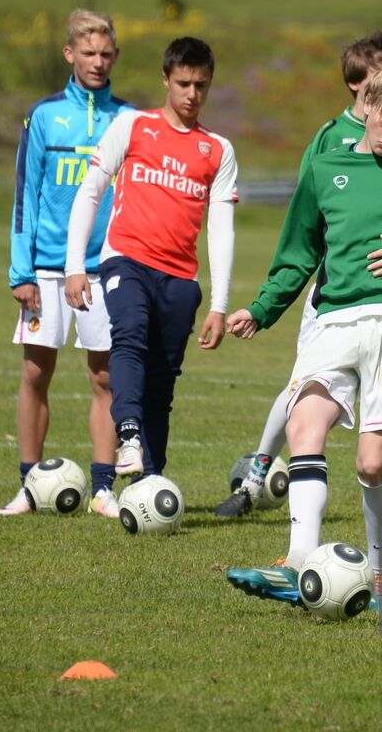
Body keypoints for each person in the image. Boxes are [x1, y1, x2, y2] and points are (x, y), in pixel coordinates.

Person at [222, 61, 382, 613]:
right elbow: (297, 256)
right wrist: (261, 310)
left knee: (372, 464)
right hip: (331, 320)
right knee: (303, 420)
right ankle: (298, 561)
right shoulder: (323, 167)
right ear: (369, 102)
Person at [64, 37, 237, 483]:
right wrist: (75, 267)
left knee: (162, 384)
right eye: (183, 83)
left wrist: (218, 305)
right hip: (127, 260)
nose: (192, 94)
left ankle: (150, 480)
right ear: (166, 79)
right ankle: (128, 435)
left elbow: (221, 230)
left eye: (201, 85)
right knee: (128, 338)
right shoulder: (132, 126)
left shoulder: (218, 150)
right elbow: (90, 191)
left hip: (180, 279)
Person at [0, 10, 135, 518]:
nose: (98, 62)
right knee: (37, 371)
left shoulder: (129, 120)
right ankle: (29, 486)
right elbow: (25, 196)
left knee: (105, 378)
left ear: (115, 57)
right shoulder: (44, 116)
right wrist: (22, 272)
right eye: (89, 53)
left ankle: (103, 488)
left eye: (106, 54)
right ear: (69, 55)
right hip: (48, 270)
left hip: (104, 268)